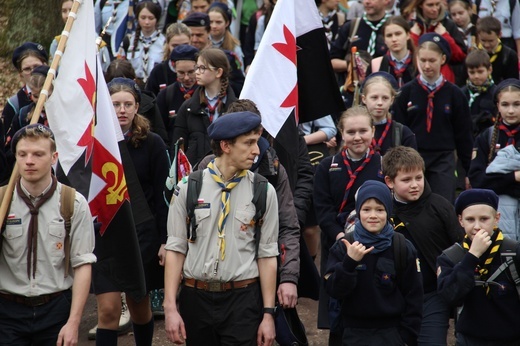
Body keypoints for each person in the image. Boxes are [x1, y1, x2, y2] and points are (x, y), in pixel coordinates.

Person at [163, 111, 279, 346]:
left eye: (256, 142)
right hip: (196, 298)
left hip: (243, 299)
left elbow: (267, 254)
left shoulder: (263, 191)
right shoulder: (188, 188)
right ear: (226, 146)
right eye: (249, 143)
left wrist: (268, 314)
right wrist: (170, 308)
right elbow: (175, 249)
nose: (256, 151)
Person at [0, 124, 96, 344]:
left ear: (54, 158)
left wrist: (73, 322)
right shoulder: (2, 202)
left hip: (55, 310)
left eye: (38, 154)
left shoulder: (73, 203)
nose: (29, 161)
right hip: (6, 313)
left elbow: (82, 265)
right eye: (22, 154)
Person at [91, 78, 169, 345]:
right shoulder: (92, 145)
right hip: (104, 235)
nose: (121, 110)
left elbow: (163, 198)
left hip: (142, 237)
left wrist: (164, 241)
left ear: (137, 107)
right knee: (109, 310)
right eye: (114, 105)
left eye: (128, 104)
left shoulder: (153, 143)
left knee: (139, 307)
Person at [313, 106, 385, 345]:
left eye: (363, 130)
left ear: (373, 131)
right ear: (341, 133)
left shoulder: (383, 165)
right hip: (337, 243)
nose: (357, 137)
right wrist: (340, 237)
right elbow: (322, 209)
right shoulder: (327, 166)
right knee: (339, 302)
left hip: (376, 245)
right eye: (351, 131)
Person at [325, 180, 423, 346]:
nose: (373, 215)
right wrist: (349, 263)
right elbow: (333, 291)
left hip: (391, 334)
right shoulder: (344, 246)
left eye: (380, 209)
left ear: (388, 211)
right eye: (366, 209)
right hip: (351, 334)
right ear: (358, 212)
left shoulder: (402, 247)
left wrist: (406, 337)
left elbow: (414, 297)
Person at [382, 146, 464, 345]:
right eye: (406, 180)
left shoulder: (440, 206)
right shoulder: (382, 211)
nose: (415, 185)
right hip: (392, 297)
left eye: (418, 178)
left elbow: (460, 245)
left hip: (432, 295)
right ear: (390, 182)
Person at [392, 33, 473, 203]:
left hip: (443, 159)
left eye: (432, 60)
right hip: (413, 157)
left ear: (442, 59)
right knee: (414, 204)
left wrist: (467, 171)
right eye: (422, 60)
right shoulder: (406, 93)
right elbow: (398, 130)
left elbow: (464, 135)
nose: (427, 65)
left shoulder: (455, 94)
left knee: (442, 203)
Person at [437, 188, 520, 345]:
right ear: (460, 220)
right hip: (469, 340)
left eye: (484, 219)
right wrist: (472, 256)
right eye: (470, 220)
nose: (477, 226)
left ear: (496, 218)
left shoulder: (513, 251)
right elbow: (449, 296)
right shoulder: (451, 257)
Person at [468, 78, 520, 241]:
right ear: (497, 105)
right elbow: (478, 180)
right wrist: (514, 177)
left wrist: (498, 181)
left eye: (517, 104)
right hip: (499, 213)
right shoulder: (486, 137)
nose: (510, 110)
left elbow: (489, 180)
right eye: (505, 105)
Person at [171, 47, 237, 165]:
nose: (197, 72)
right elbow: (177, 148)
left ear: (218, 72)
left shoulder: (235, 108)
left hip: (228, 170)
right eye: (197, 67)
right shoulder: (188, 107)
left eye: (202, 68)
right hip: (196, 174)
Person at [404, 0, 468, 85]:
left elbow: (460, 57)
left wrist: (445, 36)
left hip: (446, 82)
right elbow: (406, 59)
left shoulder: (448, 25)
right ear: (420, 5)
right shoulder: (412, 26)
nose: (435, 9)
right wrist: (414, 37)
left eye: (437, 4)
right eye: (430, 5)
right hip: (417, 81)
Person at [330, 0, 392, 83]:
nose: (367, 2)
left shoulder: (394, 27)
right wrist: (354, 65)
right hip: (354, 88)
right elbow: (332, 61)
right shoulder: (351, 26)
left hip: (386, 85)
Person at [361, 71, 417, 154]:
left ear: (392, 100)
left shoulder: (403, 133)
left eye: (385, 98)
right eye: (374, 97)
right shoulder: (356, 132)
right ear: (364, 99)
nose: (380, 102)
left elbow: (413, 165)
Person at [2, 42, 48, 138]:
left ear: (46, 65)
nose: (33, 72)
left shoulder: (62, 96)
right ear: (20, 74)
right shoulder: (14, 105)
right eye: (27, 69)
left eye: (37, 66)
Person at [156, 44, 199, 141]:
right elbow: (160, 128)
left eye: (191, 72)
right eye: (181, 73)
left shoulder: (204, 92)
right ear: (174, 69)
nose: (187, 78)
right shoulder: (165, 95)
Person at [118, 1, 166, 86]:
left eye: (151, 18)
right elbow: (120, 66)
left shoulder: (164, 42)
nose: (147, 22)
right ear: (137, 18)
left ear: (157, 19)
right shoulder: (128, 41)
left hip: (155, 86)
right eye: (143, 18)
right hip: (134, 85)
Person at [367, 16, 417, 88]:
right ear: (384, 40)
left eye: (398, 34)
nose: (394, 39)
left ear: (408, 35)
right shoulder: (376, 65)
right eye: (389, 35)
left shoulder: (419, 62)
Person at [145, 22, 192, 96]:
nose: (180, 50)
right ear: (167, 45)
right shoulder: (158, 71)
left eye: (185, 45)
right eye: (175, 46)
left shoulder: (199, 70)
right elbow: (148, 100)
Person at [460, 49, 498, 137]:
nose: (476, 76)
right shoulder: (461, 93)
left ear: (489, 70)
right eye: (472, 72)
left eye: (480, 72)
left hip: (488, 138)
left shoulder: (496, 93)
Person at [476, 16, 519, 83]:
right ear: (478, 35)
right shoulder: (473, 54)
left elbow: (513, 82)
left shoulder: (509, 55)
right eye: (483, 40)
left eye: (491, 41)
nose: (486, 45)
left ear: (499, 35)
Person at [208, 2, 245, 70]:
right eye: (210, 22)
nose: (214, 26)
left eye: (218, 22)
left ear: (227, 23)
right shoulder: (202, 42)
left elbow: (240, 73)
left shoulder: (234, 47)